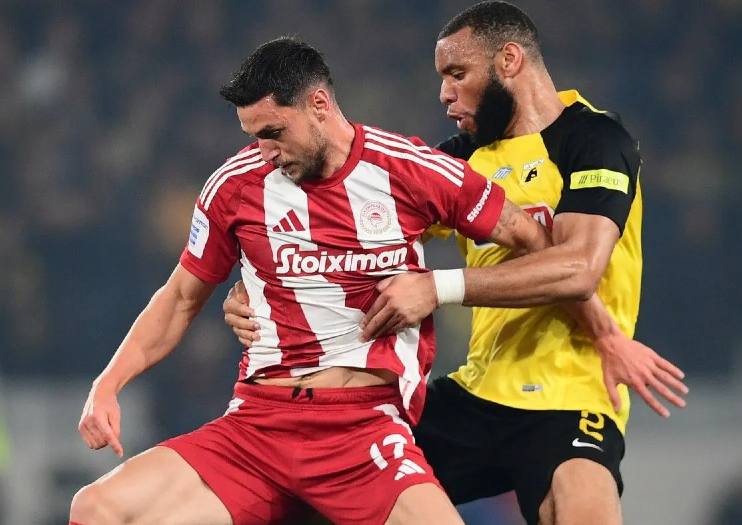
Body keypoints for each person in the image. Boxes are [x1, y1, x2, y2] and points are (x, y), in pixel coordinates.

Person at [69, 35, 631, 525]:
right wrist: (109, 383)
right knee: (97, 509)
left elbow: (534, 242)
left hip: (360, 430)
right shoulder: (234, 186)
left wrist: (603, 331)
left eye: (274, 132)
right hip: (257, 427)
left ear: (319, 105)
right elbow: (178, 298)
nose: (264, 151)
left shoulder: (412, 168)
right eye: (253, 135)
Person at [223, 2, 689, 524]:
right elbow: (340, 239)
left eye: (458, 74)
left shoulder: (595, 141)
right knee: (313, 491)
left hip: (573, 392)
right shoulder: (459, 160)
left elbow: (578, 268)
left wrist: (436, 287)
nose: (445, 93)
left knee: (580, 506)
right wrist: (255, 289)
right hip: (477, 390)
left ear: (509, 60)